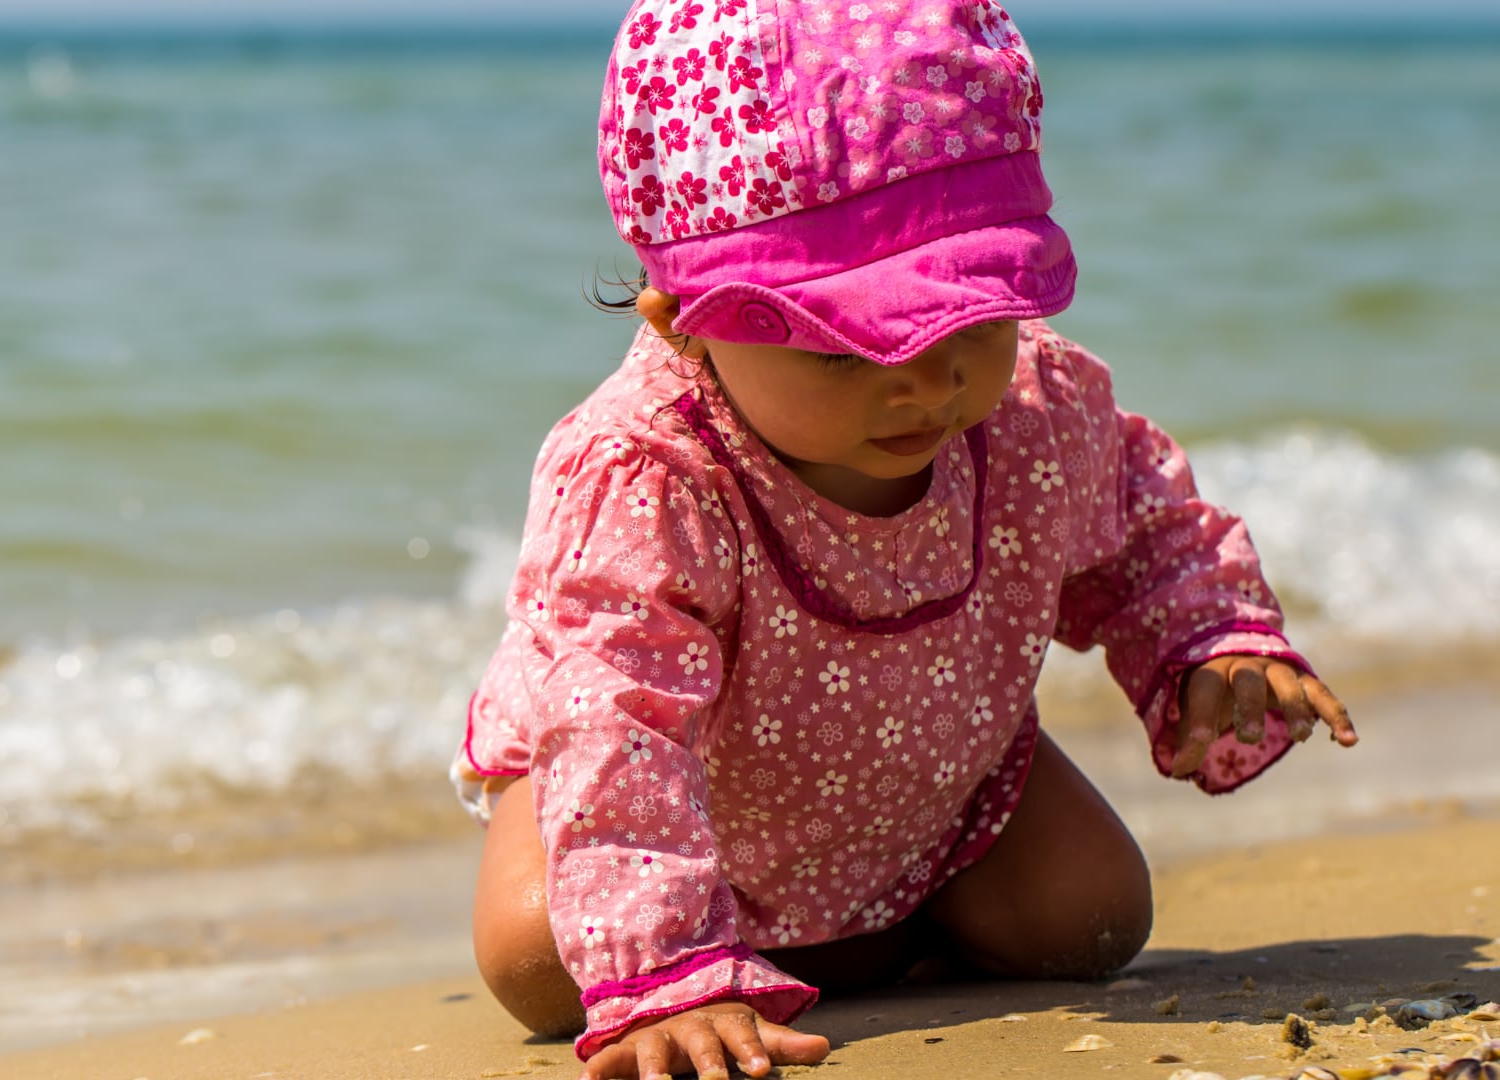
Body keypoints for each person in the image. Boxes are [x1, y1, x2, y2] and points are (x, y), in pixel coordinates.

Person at [451, 2, 1360, 1078]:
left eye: (968, 318)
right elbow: (617, 714)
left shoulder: (1028, 408)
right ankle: (734, 939)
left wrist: (1208, 640)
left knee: (1093, 921)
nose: (928, 382)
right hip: (677, 798)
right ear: (677, 320)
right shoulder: (651, 472)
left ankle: (872, 927)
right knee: (541, 961)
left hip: (939, 783)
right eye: (845, 351)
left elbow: (1136, 522)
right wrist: (654, 972)